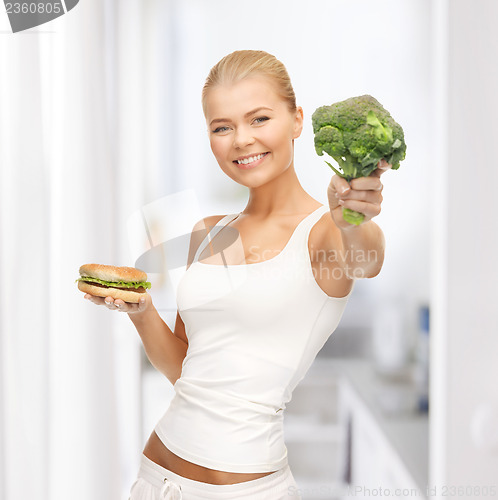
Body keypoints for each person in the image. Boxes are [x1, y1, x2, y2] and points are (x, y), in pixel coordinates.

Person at [83, 49, 389, 500]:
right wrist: (143, 312)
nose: (241, 139)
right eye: (222, 127)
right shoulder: (209, 232)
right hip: (154, 480)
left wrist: (352, 221)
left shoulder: (325, 232)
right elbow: (188, 369)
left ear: (297, 121)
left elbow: (367, 260)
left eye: (259, 119)